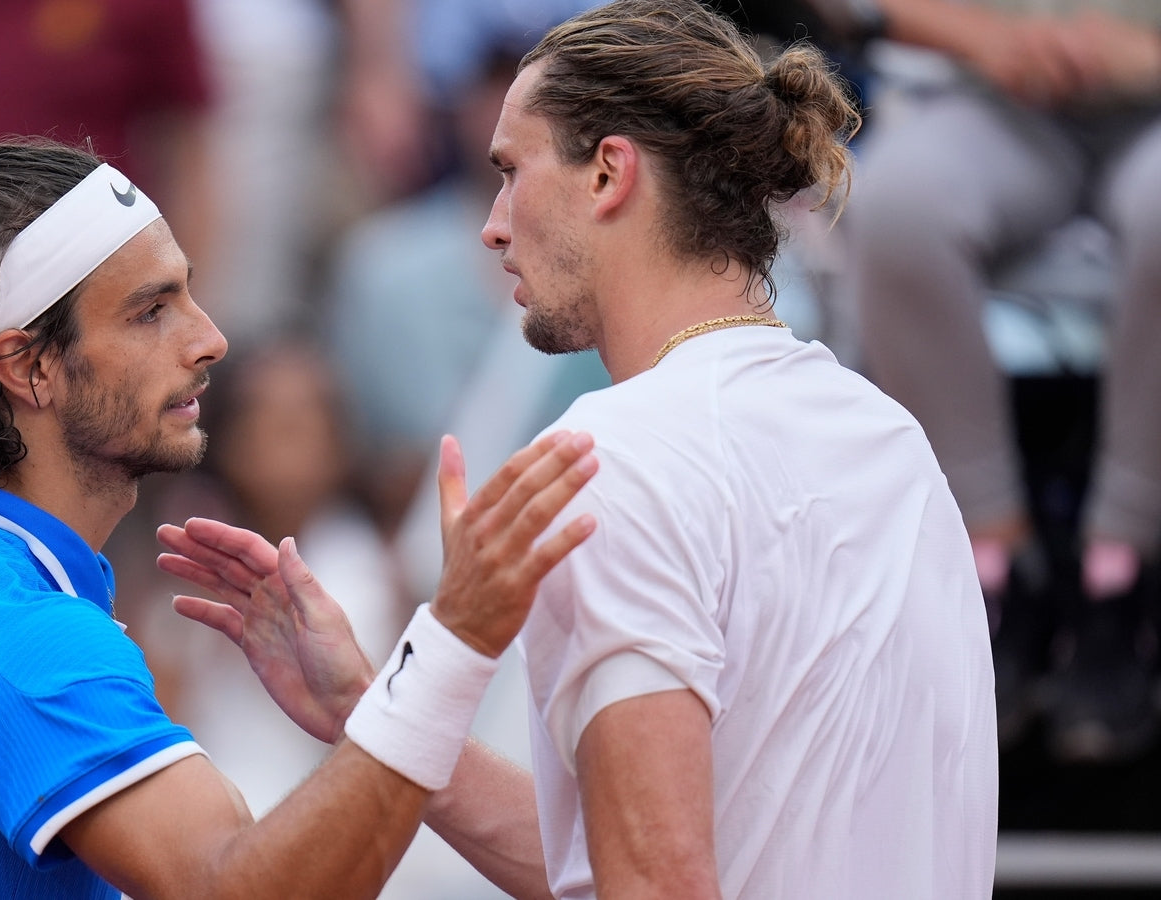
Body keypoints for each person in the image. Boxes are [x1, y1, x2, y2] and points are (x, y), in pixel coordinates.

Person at [160, 1, 999, 896]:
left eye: (511, 172)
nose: (492, 224)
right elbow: (628, 861)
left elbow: (656, 883)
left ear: (608, 174)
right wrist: (379, 710)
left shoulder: (609, 455)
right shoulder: (890, 436)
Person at [0, 135, 600, 898]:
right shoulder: (21, 644)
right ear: (29, 368)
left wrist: (366, 702)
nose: (210, 339)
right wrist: (453, 641)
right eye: (151, 310)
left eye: (189, 294)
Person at [842, 0, 1161, 761]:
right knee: (893, 206)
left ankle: (1121, 568)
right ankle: (990, 568)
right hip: (992, 99)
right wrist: (990, 39)